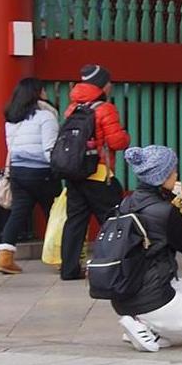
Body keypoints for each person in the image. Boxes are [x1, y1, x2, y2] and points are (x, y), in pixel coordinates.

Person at [107, 144, 182, 354]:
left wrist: (179, 212)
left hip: (123, 292)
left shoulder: (127, 203)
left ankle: (143, 325)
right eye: (172, 170)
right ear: (162, 176)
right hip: (148, 292)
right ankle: (141, 324)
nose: (176, 174)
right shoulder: (165, 211)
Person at [56, 63, 130, 284]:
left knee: (75, 222)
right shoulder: (104, 109)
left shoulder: (72, 108)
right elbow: (116, 141)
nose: (110, 86)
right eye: (108, 83)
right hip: (98, 174)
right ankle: (119, 264)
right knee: (115, 220)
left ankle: (69, 269)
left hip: (75, 173)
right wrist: (125, 137)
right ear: (101, 85)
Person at [0, 77, 58, 275]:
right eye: (44, 91)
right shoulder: (46, 117)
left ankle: (4, 258)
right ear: (38, 93)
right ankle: (62, 257)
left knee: (18, 213)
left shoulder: (12, 118)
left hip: (18, 172)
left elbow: (11, 148)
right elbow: (50, 149)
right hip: (42, 173)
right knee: (55, 214)